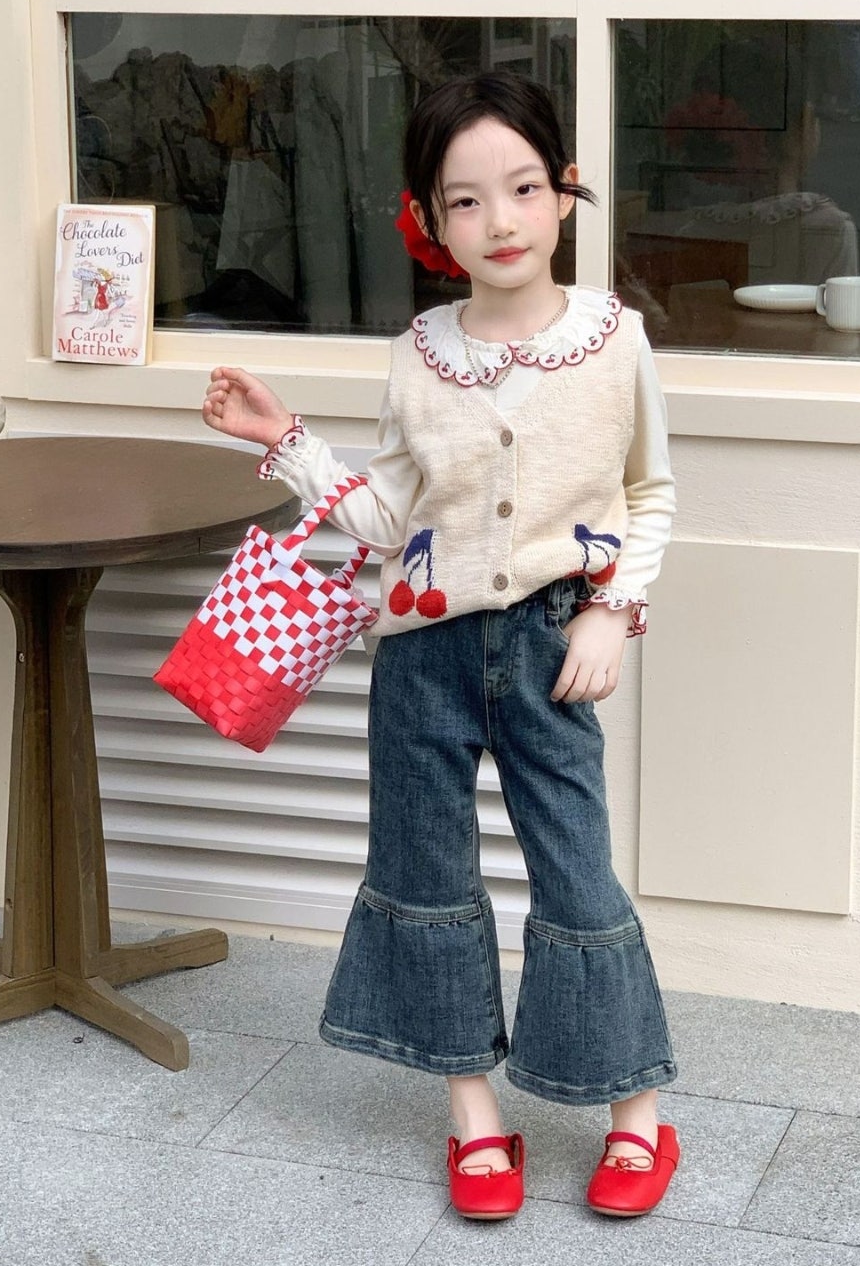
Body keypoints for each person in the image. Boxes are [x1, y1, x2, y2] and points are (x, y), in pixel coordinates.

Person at [201, 71, 679, 1222]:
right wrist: (289, 440)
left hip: (550, 643)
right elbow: (388, 519)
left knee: (577, 874)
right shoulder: (418, 351)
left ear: (563, 192)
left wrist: (612, 609)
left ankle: (635, 1106)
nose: (499, 220)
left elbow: (649, 491)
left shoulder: (614, 339)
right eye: (465, 200)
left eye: (522, 188)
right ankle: (471, 1111)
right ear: (429, 219)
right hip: (420, 655)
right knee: (423, 872)